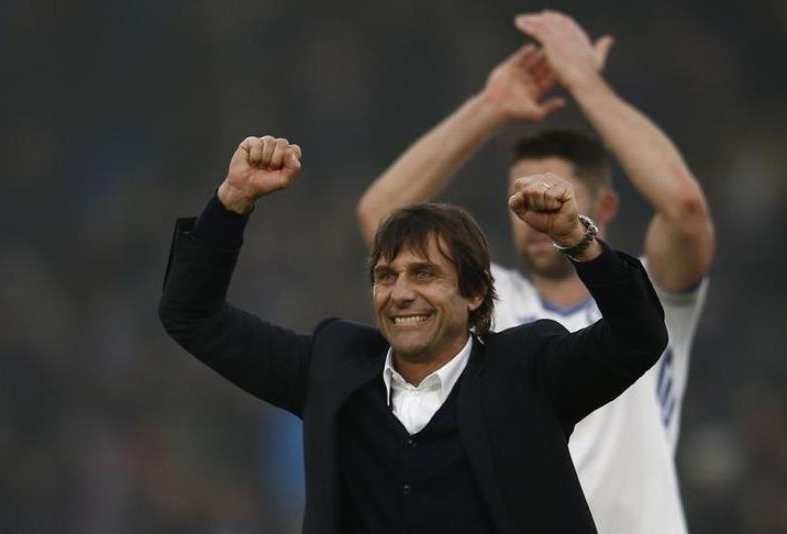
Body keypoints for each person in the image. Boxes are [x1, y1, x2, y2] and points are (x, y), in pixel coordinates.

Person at [159, 134, 668, 533]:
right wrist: (233, 201)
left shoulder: (528, 371)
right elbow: (191, 315)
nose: (400, 293)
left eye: (424, 274)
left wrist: (576, 240)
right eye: (386, 276)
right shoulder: (333, 366)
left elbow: (638, 337)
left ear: (473, 294)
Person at [356, 11, 714, 534]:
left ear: (604, 207)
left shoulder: (647, 297)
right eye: (523, 195)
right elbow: (382, 217)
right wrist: (490, 108)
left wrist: (584, 83)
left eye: (553, 193)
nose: (536, 209)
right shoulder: (487, 301)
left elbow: (684, 207)